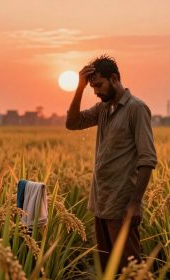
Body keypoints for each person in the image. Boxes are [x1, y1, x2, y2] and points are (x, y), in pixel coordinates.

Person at [66, 55, 157, 272]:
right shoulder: (103, 109)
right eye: (92, 87)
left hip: (122, 206)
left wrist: (135, 203)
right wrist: (79, 88)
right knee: (109, 269)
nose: (96, 91)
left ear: (114, 78)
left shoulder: (136, 108)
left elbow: (147, 158)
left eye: (98, 85)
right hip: (101, 202)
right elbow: (72, 123)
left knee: (130, 269)